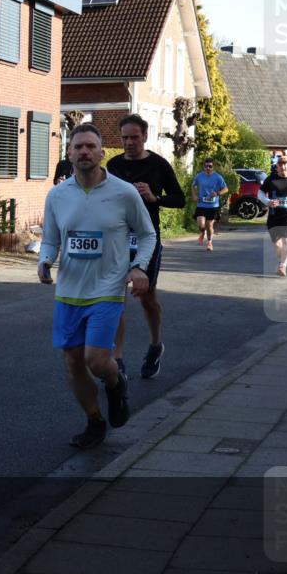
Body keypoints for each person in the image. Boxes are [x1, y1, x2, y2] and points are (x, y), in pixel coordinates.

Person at [38, 123, 156, 449]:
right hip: (68, 292)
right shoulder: (58, 195)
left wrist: (138, 267)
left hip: (107, 288)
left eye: (91, 146)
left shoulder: (124, 192)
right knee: (72, 362)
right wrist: (44, 261)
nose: (84, 152)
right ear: (69, 153)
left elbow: (147, 235)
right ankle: (94, 420)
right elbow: (50, 240)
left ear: (103, 152)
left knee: (94, 359)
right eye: (78, 147)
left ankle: (116, 382)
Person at [106, 114, 185, 379]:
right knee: (116, 298)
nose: (129, 143)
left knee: (147, 298)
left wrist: (154, 197)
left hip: (145, 239)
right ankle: (117, 360)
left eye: (134, 138)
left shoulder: (158, 165)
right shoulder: (112, 165)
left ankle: (155, 346)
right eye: (125, 138)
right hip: (117, 240)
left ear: (145, 137)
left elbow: (180, 199)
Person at [191, 158, 228, 251]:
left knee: (209, 225)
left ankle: (209, 242)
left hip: (213, 206)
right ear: (204, 166)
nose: (208, 168)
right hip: (201, 204)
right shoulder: (199, 176)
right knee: (201, 225)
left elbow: (226, 189)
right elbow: (193, 185)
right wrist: (195, 195)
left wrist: (218, 193)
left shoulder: (218, 177)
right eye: (206, 166)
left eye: (210, 166)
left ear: (213, 167)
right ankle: (202, 233)